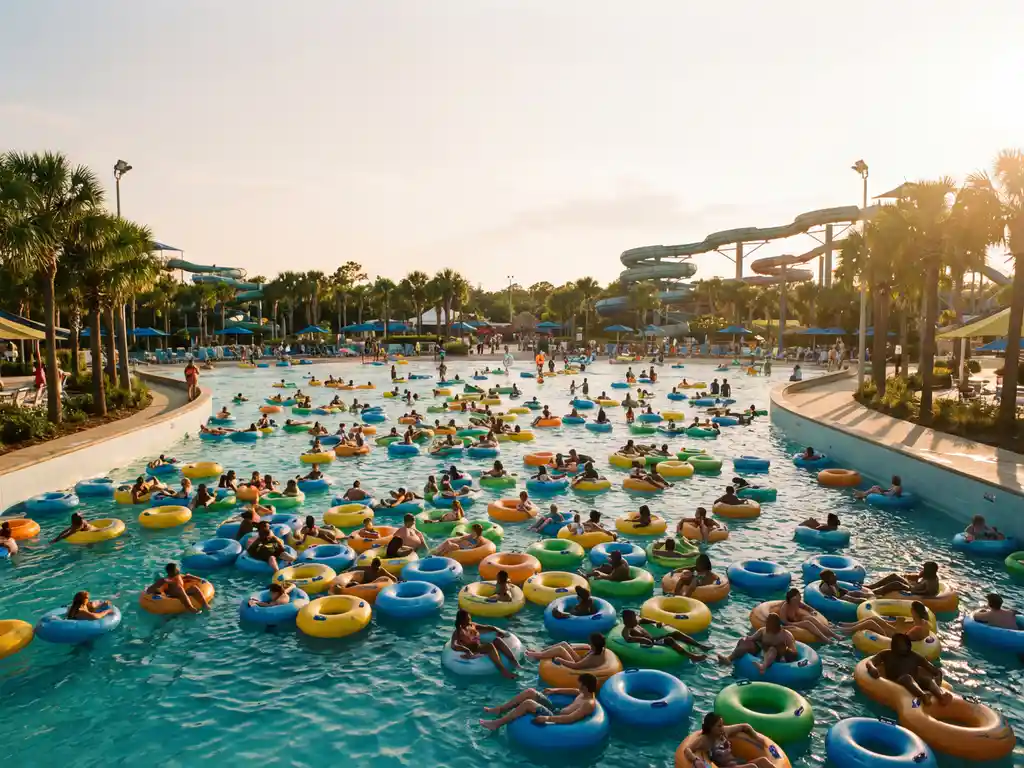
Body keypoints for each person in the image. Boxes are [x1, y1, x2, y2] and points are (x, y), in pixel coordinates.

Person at [480, 673, 597, 729]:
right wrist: (554, 690)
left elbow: (570, 719)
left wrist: (547, 718)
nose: (578, 686)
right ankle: (501, 709)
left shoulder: (588, 704)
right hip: (557, 710)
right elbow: (574, 691)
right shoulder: (583, 693)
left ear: (585, 687)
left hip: (555, 718)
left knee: (528, 703)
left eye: (580, 684)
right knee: (530, 692)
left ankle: (497, 723)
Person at [864, 633, 952, 705]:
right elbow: (870, 662)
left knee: (927, 680)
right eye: (900, 647)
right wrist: (872, 668)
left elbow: (935, 670)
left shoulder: (915, 656)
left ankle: (941, 696)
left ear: (909, 646)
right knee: (906, 678)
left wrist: (938, 679)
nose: (903, 649)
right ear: (893, 647)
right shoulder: (886, 654)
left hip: (915, 683)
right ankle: (923, 695)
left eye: (905, 647)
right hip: (896, 683)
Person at [681, 712, 777, 768]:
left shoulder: (725, 732)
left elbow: (745, 727)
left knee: (764, 761)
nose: (722, 727)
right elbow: (687, 749)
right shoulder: (705, 740)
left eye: (722, 724)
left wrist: (756, 738)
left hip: (737, 764)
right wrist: (695, 760)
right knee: (752, 767)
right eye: (719, 726)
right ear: (710, 727)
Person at [452, 608, 520, 680]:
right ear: (461, 621)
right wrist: (466, 650)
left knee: (497, 640)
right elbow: (454, 645)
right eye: (467, 619)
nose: (469, 621)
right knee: (489, 646)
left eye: (469, 618)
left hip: (479, 646)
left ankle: (515, 662)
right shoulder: (458, 632)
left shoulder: (472, 625)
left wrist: (498, 630)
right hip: (473, 649)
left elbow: (487, 627)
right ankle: (503, 671)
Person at [718, 612, 797, 672]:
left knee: (773, 649)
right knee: (745, 642)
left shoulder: (785, 635)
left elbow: (793, 652)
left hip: (778, 657)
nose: (769, 626)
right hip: (764, 652)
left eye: (771, 625)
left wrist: (782, 651)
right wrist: (744, 641)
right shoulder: (763, 631)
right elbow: (751, 638)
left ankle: (763, 667)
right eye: (768, 624)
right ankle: (729, 659)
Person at [621, 608, 710, 660]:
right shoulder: (627, 629)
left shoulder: (636, 623)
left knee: (675, 633)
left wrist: (656, 622)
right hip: (652, 642)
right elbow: (627, 638)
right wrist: (643, 640)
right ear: (627, 620)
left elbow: (643, 619)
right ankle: (692, 657)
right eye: (633, 618)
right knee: (669, 640)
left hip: (654, 638)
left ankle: (700, 646)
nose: (635, 619)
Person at [841, 600, 931, 640]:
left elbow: (902, 639)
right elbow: (895, 625)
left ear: (914, 611)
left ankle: (848, 631)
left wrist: (898, 624)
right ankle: (849, 625)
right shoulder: (918, 621)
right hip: (895, 633)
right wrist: (890, 623)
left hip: (894, 638)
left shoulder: (919, 627)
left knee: (870, 623)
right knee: (875, 618)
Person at [777, 588, 841, 641]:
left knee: (811, 619)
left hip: (798, 619)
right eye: (798, 595)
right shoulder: (785, 607)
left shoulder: (797, 603)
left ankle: (835, 635)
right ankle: (825, 639)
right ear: (793, 598)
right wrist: (794, 624)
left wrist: (813, 611)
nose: (800, 597)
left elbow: (808, 608)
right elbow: (784, 621)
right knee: (807, 623)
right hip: (790, 623)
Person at [146, 563, 211, 613]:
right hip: (172, 595)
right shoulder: (167, 580)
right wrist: (151, 592)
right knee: (180, 589)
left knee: (194, 588)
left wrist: (200, 579)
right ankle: (191, 608)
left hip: (181, 592)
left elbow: (187, 576)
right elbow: (154, 587)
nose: (178, 569)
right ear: (172, 571)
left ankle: (205, 605)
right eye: (176, 568)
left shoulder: (178, 576)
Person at [867, 561, 940, 597]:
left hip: (913, 590)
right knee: (894, 576)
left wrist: (912, 591)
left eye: (924, 568)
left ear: (928, 570)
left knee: (896, 584)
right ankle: (872, 586)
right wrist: (918, 577)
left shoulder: (932, 582)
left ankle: (873, 593)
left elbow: (928, 594)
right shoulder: (927, 575)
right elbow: (918, 578)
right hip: (913, 587)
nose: (923, 569)